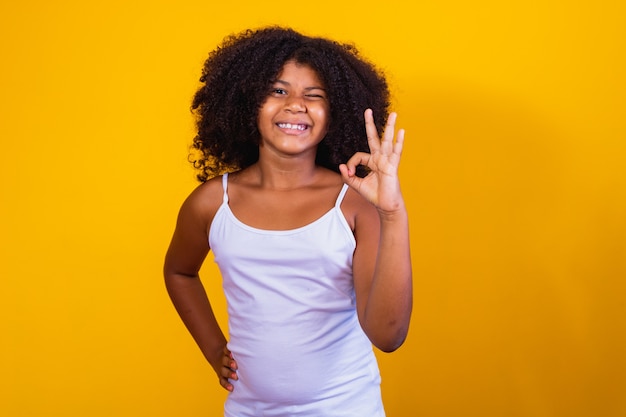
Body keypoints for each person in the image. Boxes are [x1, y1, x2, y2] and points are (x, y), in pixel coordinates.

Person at [164, 27, 412, 417]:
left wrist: (392, 214)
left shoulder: (353, 205)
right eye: (278, 90)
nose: (296, 104)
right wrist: (214, 349)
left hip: (347, 408)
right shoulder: (213, 203)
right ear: (247, 102)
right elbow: (179, 272)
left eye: (315, 95)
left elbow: (387, 335)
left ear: (336, 114)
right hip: (249, 410)